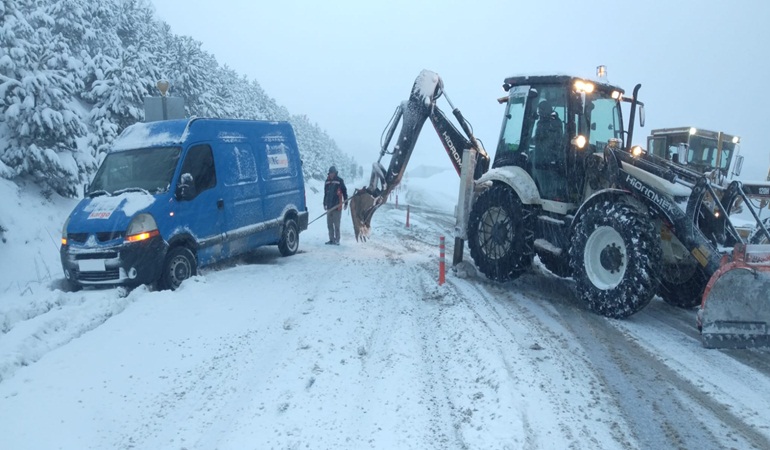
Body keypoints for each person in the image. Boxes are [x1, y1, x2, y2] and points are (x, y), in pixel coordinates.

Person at [323, 165, 348, 245]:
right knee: (329, 224)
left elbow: (344, 192)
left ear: (335, 173)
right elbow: (325, 193)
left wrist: (346, 202)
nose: (331, 174)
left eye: (332, 173)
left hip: (337, 206)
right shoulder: (327, 181)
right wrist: (324, 203)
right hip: (329, 207)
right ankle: (331, 239)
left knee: (336, 225)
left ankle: (337, 240)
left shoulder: (340, 181)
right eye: (330, 173)